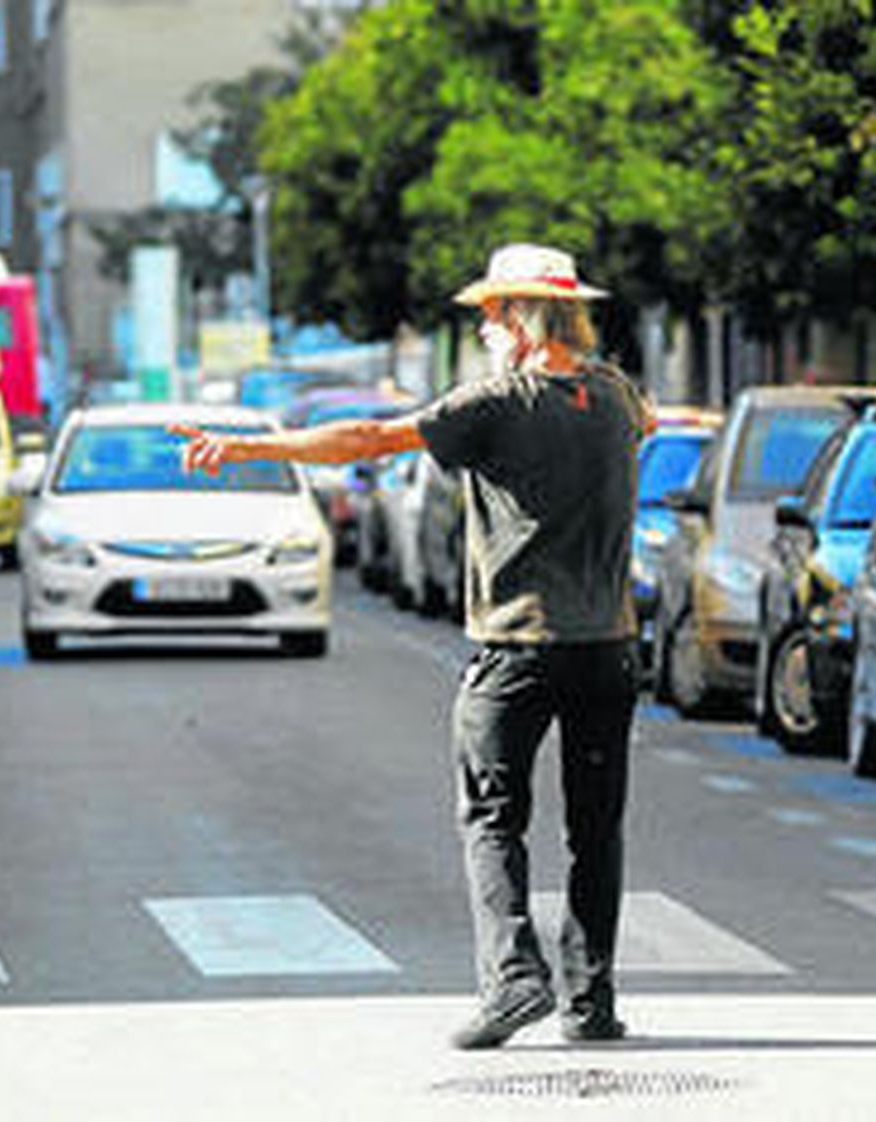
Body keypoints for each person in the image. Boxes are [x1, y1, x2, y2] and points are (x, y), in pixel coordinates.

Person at [175, 243, 653, 1049]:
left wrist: (250, 449)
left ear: (517, 320)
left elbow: (365, 439)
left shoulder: (497, 401)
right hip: (608, 648)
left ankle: (513, 981)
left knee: (492, 817)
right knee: (595, 829)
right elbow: (633, 430)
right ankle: (590, 1003)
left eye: (491, 319)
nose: (485, 333)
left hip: (517, 648)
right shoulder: (615, 398)